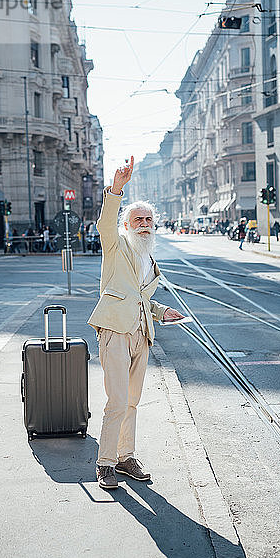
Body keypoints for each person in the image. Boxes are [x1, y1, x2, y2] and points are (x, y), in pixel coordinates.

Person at [88, 157, 184, 490]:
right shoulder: (116, 246)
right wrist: (116, 189)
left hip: (141, 334)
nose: (144, 223)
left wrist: (160, 312)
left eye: (148, 219)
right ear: (127, 225)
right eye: (137, 219)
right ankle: (105, 463)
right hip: (115, 331)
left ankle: (125, 457)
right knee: (116, 401)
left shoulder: (148, 255)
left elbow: (140, 296)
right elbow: (104, 225)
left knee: (131, 401)